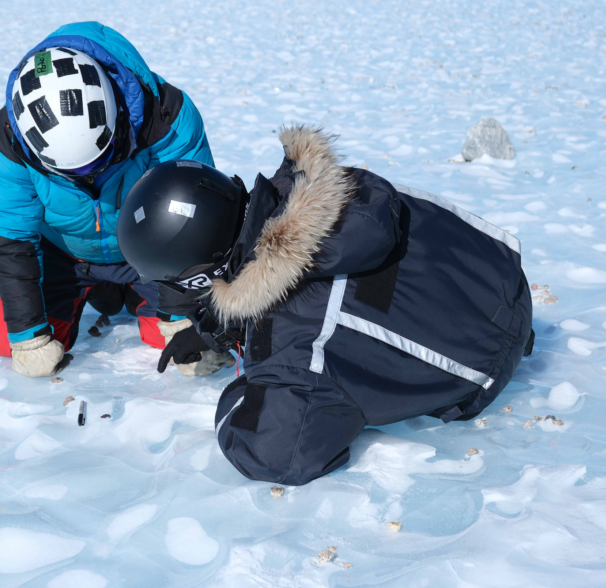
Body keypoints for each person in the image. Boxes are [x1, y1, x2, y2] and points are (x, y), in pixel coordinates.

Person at [117, 125, 534, 485]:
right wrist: (218, 327)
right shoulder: (311, 190)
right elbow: (289, 274)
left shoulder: (295, 345)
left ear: (202, 277)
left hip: (488, 361)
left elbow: (273, 452)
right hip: (498, 275)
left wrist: (249, 374)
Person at [0, 22, 229, 378]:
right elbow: (9, 241)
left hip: (151, 247)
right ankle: (105, 291)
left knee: (182, 347)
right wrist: (28, 336)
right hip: (63, 253)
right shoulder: (3, 144)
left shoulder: (166, 115)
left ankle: (134, 294)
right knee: (9, 341)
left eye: (99, 160)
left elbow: (191, 219)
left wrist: (178, 315)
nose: (90, 178)